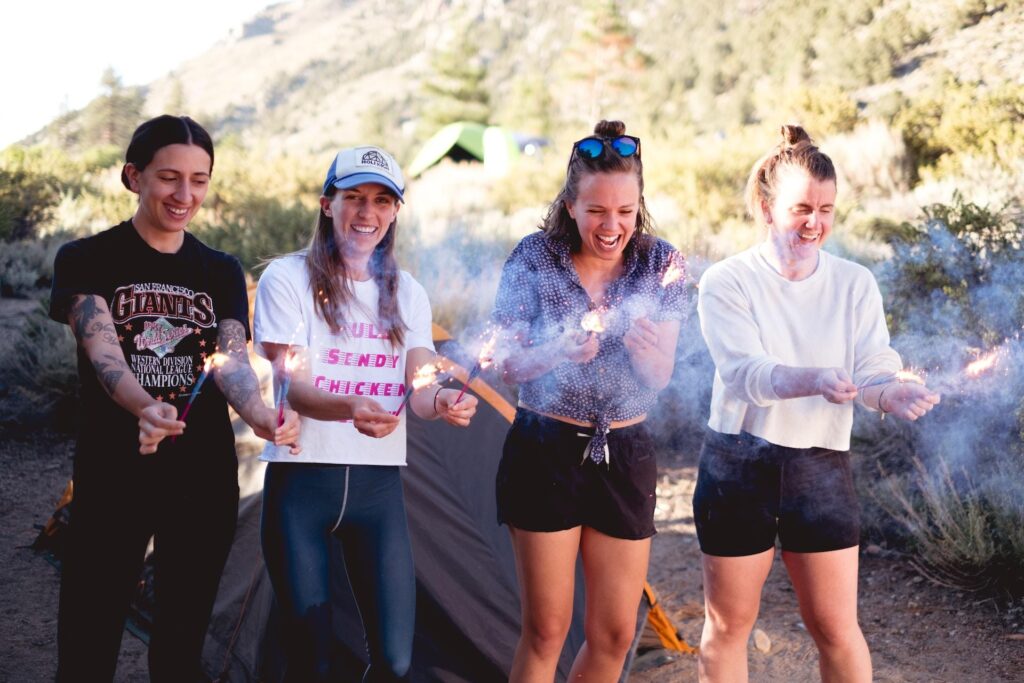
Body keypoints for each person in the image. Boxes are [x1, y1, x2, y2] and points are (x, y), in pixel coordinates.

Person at [48, 114, 300, 683]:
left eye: (200, 179)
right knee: (89, 638)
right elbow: (102, 351)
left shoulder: (220, 269)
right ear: (133, 176)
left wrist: (260, 414)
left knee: (181, 646)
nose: (185, 195)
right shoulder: (86, 258)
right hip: (115, 469)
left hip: (203, 477)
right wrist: (144, 406)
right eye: (168, 177)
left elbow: (230, 360)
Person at [694, 124, 941, 682]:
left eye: (826, 209)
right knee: (730, 625)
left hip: (820, 465)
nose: (815, 223)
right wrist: (818, 379)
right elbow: (745, 375)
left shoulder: (855, 284)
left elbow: (872, 369)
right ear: (765, 206)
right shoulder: (726, 281)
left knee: (834, 627)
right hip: (739, 462)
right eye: (801, 207)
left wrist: (890, 393)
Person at [253, 144, 479, 682]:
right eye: (353, 197)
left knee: (396, 662)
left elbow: (420, 385)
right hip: (302, 485)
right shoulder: (287, 280)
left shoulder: (410, 294)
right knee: (311, 659)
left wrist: (442, 399)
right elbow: (296, 386)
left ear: (396, 212)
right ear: (327, 203)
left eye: (381, 200)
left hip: (379, 491)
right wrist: (349, 407)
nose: (366, 212)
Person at [491, 120, 688, 682]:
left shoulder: (662, 265)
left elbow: (660, 375)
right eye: (597, 211)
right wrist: (555, 350)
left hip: (625, 453)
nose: (612, 226)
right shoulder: (533, 258)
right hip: (544, 449)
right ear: (570, 205)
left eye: (625, 211)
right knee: (548, 630)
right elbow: (507, 364)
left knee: (616, 634)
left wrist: (647, 353)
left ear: (639, 205)